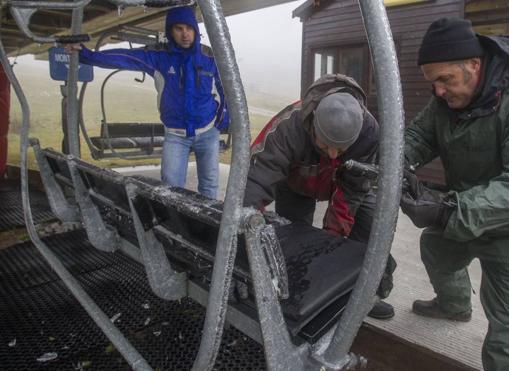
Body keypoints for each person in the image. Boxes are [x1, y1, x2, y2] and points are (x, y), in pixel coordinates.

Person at [400, 18, 509, 370]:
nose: (439, 91)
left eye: (445, 79)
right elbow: (419, 137)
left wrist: (447, 211)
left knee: (508, 325)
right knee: (436, 248)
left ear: (474, 65)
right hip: (470, 203)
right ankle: (454, 306)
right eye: (433, 83)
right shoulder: (446, 98)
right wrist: (390, 166)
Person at [244, 74, 396, 319]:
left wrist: (331, 239)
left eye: (342, 149)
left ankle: (365, 295)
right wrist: (246, 226)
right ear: (313, 123)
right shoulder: (287, 128)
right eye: (325, 146)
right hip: (297, 185)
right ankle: (296, 293)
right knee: (293, 240)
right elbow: (256, 179)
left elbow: (352, 191)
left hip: (350, 185)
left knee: (368, 236)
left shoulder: (369, 133)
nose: (334, 155)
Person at [66, 6, 229, 199]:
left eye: (189, 28)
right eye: (179, 28)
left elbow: (226, 88)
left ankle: (207, 229)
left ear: (195, 29)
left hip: (208, 132)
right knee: (170, 189)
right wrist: (88, 55)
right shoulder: (159, 56)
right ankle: (175, 226)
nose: (185, 34)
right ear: (170, 31)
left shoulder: (210, 56)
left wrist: (223, 118)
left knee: (209, 186)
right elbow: (123, 58)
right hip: (176, 135)